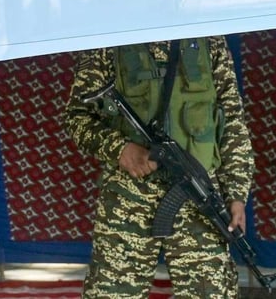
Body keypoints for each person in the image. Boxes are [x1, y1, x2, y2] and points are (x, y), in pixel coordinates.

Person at [64, 36, 255, 298]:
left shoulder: (209, 39)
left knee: (210, 293)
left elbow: (232, 121)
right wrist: (120, 148)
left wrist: (236, 193)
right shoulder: (108, 37)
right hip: (128, 194)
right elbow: (77, 117)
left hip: (198, 193)